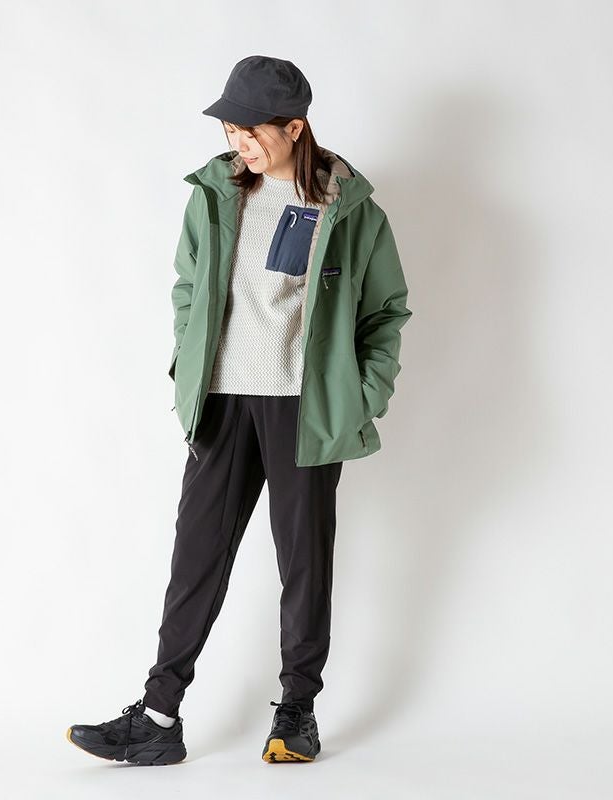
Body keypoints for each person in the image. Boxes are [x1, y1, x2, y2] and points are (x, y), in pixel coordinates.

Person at [66, 54, 412, 766]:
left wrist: (361, 394)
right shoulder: (215, 196)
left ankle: (297, 713)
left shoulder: (351, 213)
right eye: (230, 129)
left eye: (252, 130)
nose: (239, 143)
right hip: (222, 403)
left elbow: (386, 313)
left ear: (295, 128)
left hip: (305, 410)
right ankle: (158, 717)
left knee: (304, 564)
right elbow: (187, 287)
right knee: (195, 558)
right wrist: (187, 367)